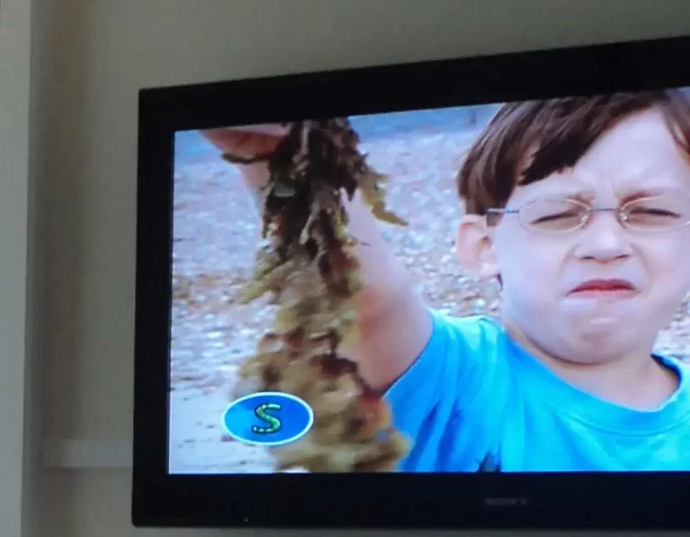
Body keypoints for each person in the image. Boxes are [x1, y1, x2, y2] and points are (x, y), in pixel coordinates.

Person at [204, 92, 690, 471]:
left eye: (652, 211)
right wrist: (287, 152)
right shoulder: (459, 380)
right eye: (559, 215)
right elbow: (365, 302)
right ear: (482, 247)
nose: (606, 244)